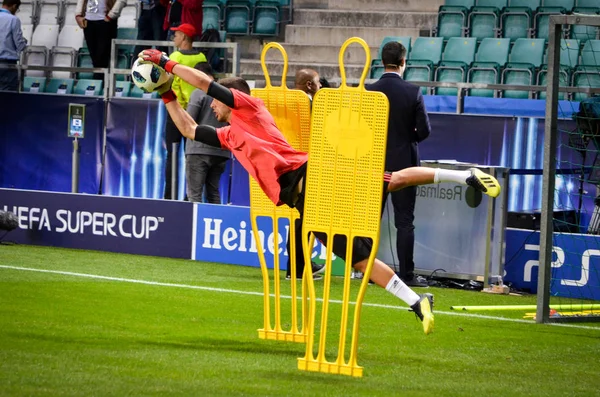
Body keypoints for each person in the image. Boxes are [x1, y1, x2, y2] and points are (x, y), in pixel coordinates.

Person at [139, 49, 502, 335]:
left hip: (314, 175)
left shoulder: (249, 107)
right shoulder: (228, 135)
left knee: (390, 180)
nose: (211, 107)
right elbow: (188, 130)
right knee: (359, 258)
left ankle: (463, 176)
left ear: (230, 97)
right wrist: (168, 93)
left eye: (216, 102)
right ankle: (416, 301)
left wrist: (166, 62)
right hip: (303, 201)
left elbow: (204, 83)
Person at [367, 41, 431, 288]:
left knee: (371, 220)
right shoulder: (413, 91)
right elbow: (424, 131)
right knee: (404, 221)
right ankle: (407, 274)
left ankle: (370, 271)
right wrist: (407, 139)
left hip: (374, 166)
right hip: (404, 166)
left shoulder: (370, 91)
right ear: (403, 62)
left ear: (382, 62)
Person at [285, 67, 324, 280]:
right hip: (306, 164)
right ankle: (298, 268)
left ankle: (299, 264)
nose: (320, 87)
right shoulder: (309, 104)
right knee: (305, 216)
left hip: (288, 164)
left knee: (301, 216)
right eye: (318, 83)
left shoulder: (285, 101)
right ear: (309, 84)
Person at [162, 23, 207, 200]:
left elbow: (172, 84)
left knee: (172, 155)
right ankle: (191, 197)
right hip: (196, 112)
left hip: (177, 112)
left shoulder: (174, 56)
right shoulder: (202, 57)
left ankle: (169, 197)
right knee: (193, 157)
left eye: (177, 35)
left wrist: (177, 107)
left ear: (184, 38)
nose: (174, 38)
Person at [185, 61, 229, 204]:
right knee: (213, 193)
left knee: (194, 195)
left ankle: (192, 225)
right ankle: (217, 223)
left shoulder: (198, 93)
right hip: (221, 151)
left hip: (198, 150)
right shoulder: (226, 93)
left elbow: (188, 121)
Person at [75, 0, 127, 81]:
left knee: (102, 56)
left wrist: (111, 15)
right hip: (89, 22)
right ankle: (98, 85)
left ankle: (99, 84)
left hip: (106, 21)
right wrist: (78, 14)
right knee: (94, 57)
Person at [0, 0, 26, 91]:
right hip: (7, 64)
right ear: (14, 6)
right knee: (8, 95)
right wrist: (24, 42)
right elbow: (20, 45)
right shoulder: (13, 19)